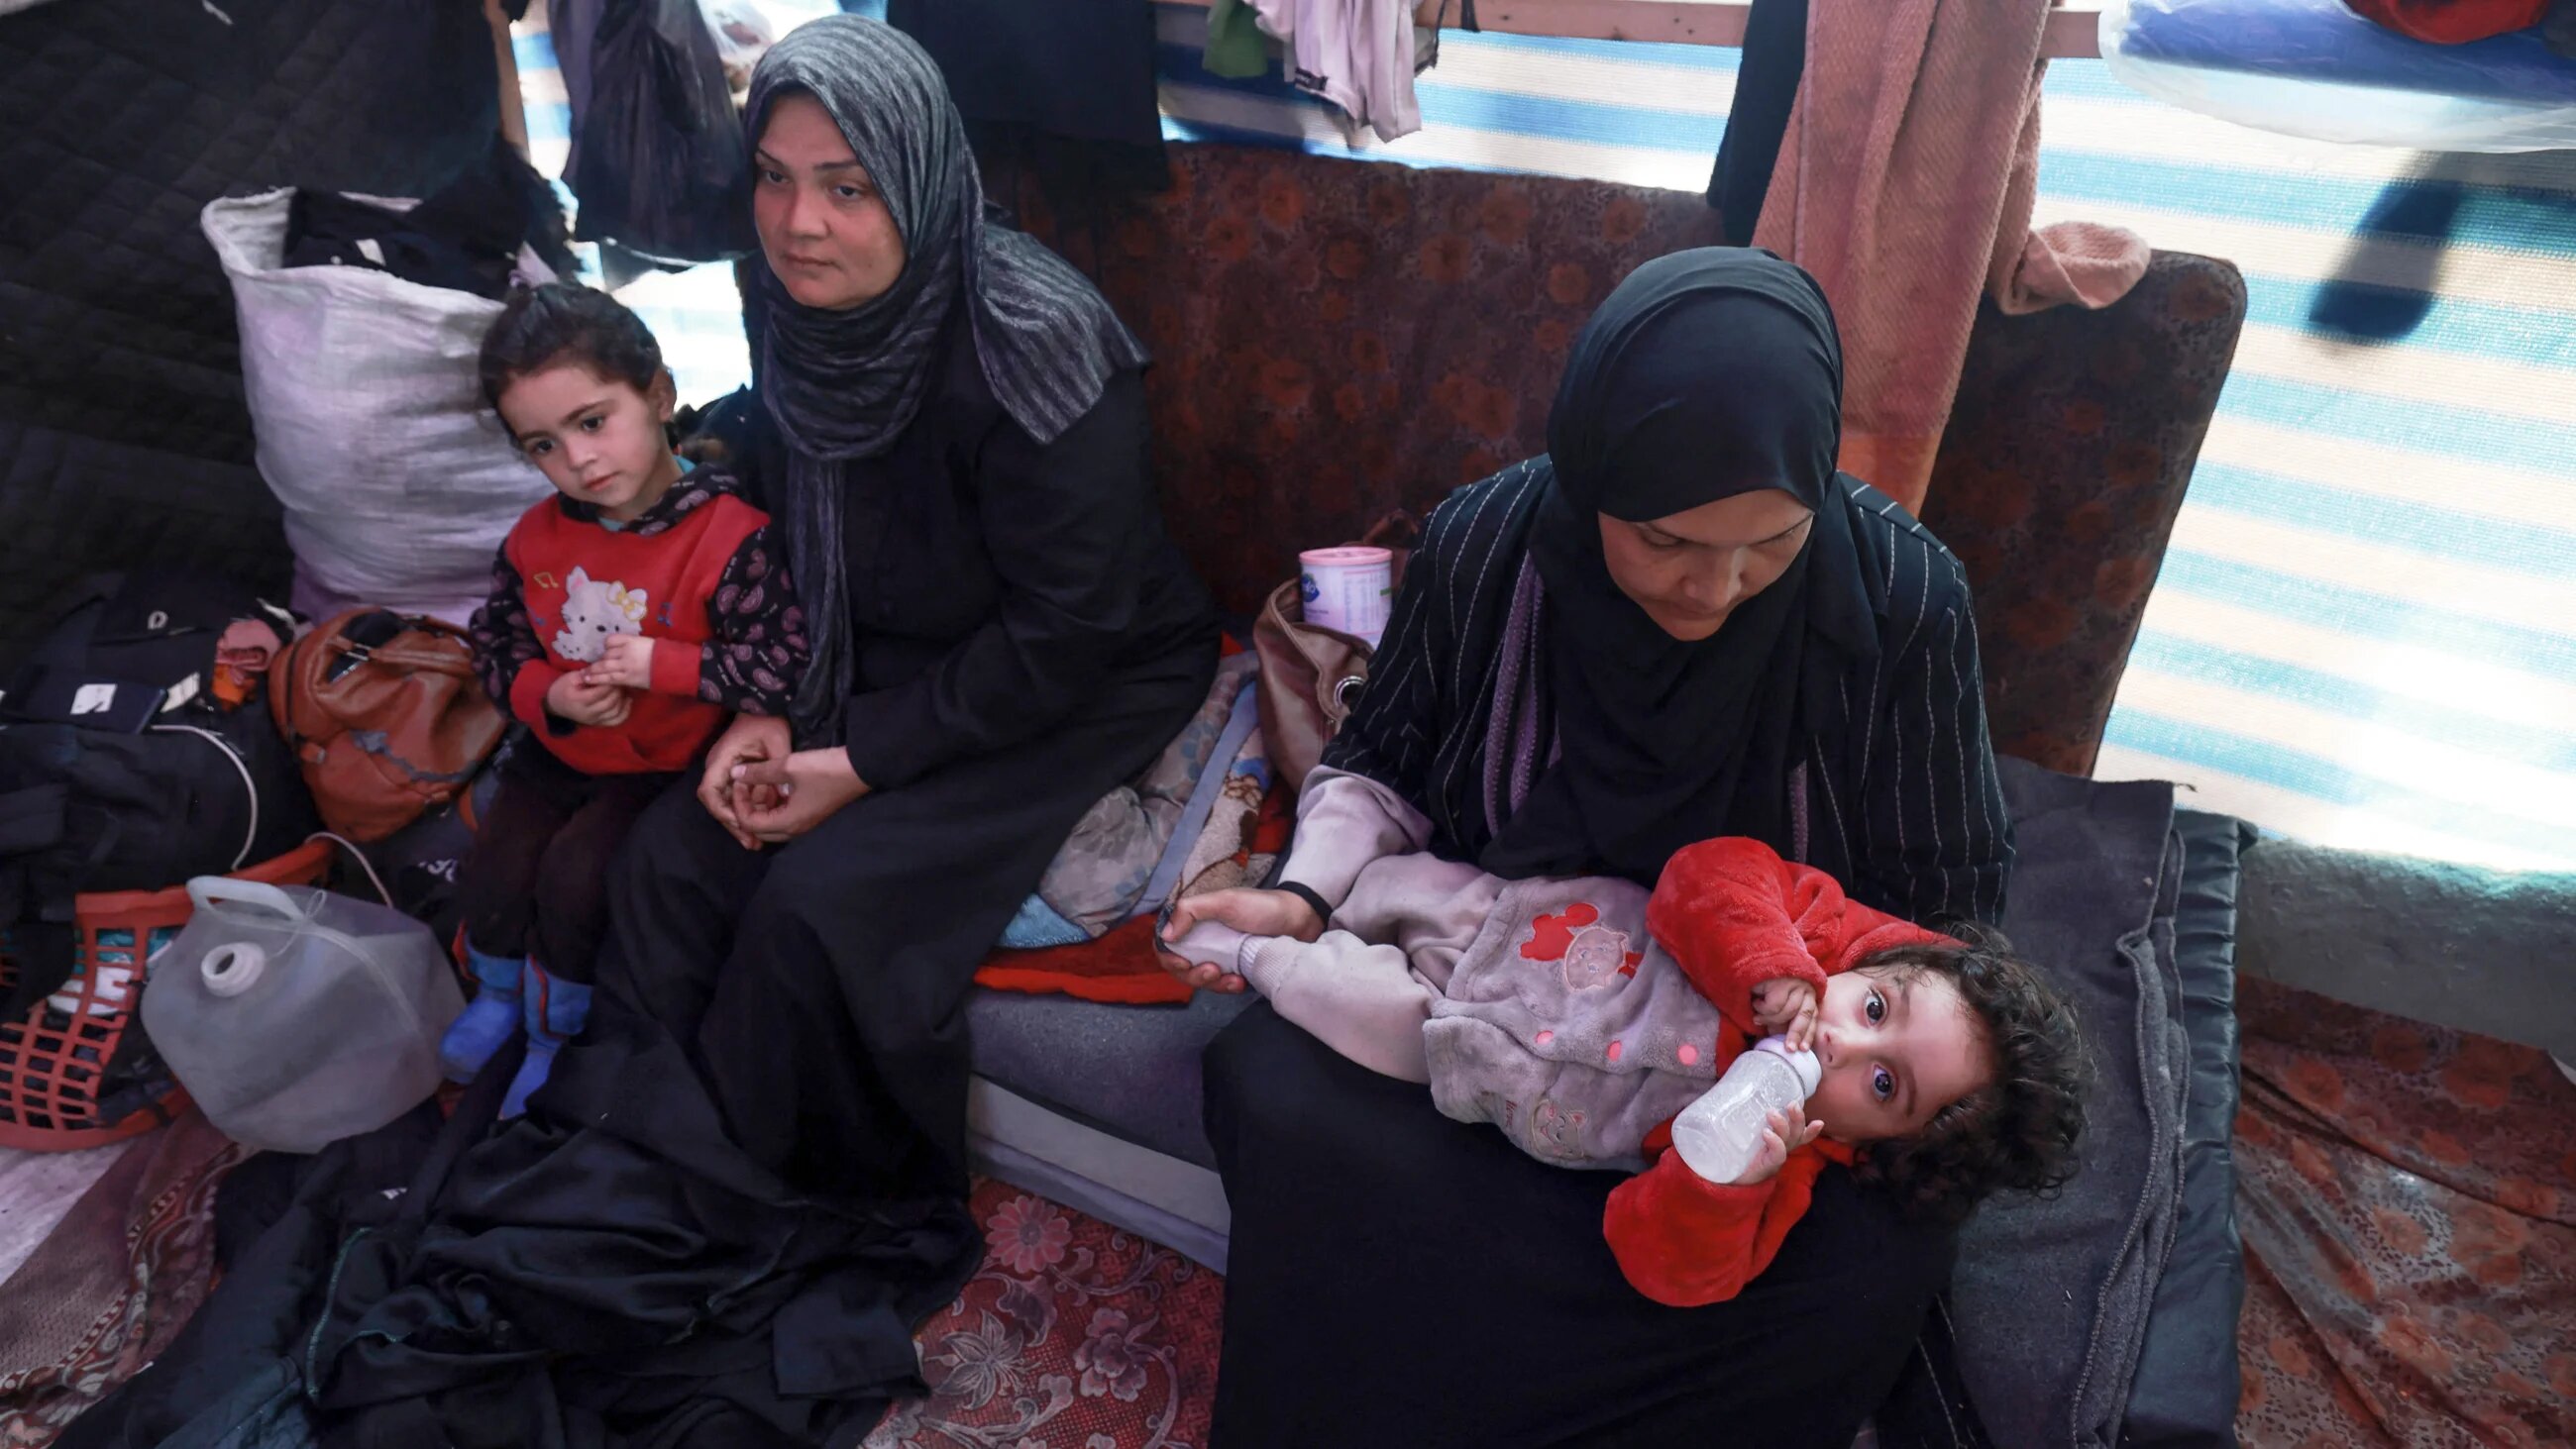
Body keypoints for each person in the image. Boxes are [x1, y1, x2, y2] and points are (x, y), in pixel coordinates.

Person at [1166, 248, 2015, 1446]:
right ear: (1591, 474)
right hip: (1498, 978)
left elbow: (1950, 915)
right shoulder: (1488, 544)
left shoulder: (1901, 599)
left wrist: (1819, 1053)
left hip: (1748, 1066)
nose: (1715, 587)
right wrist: (1303, 898)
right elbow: (1387, 758)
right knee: (1271, 1083)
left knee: (1880, 1251)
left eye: (1770, 540)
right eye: (1666, 538)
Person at [1168, 834, 2083, 1307]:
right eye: (1875, 1009)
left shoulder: (1784, 1166)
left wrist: (1725, 1185)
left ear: (1878, 1143)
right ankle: (1300, 902)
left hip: (1469, 1058)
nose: (1845, 1044)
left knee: (1340, 1005)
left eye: (1884, 1087)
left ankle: (1255, 959)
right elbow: (1708, 873)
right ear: (1876, 967)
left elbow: (1667, 1268)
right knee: (1388, 888)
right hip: (1517, 924)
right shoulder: (1809, 932)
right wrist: (1768, 966)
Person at [451, 283, 808, 1118]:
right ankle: (497, 998)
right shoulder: (535, 537)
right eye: (542, 443)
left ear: (658, 393)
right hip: (559, 749)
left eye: (591, 421)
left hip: (662, 766)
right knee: (498, 865)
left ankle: (550, 1036)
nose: (577, 459)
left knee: (579, 880)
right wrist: (550, 691)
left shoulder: (732, 535)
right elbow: (494, 643)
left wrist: (666, 666)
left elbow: (784, 666)